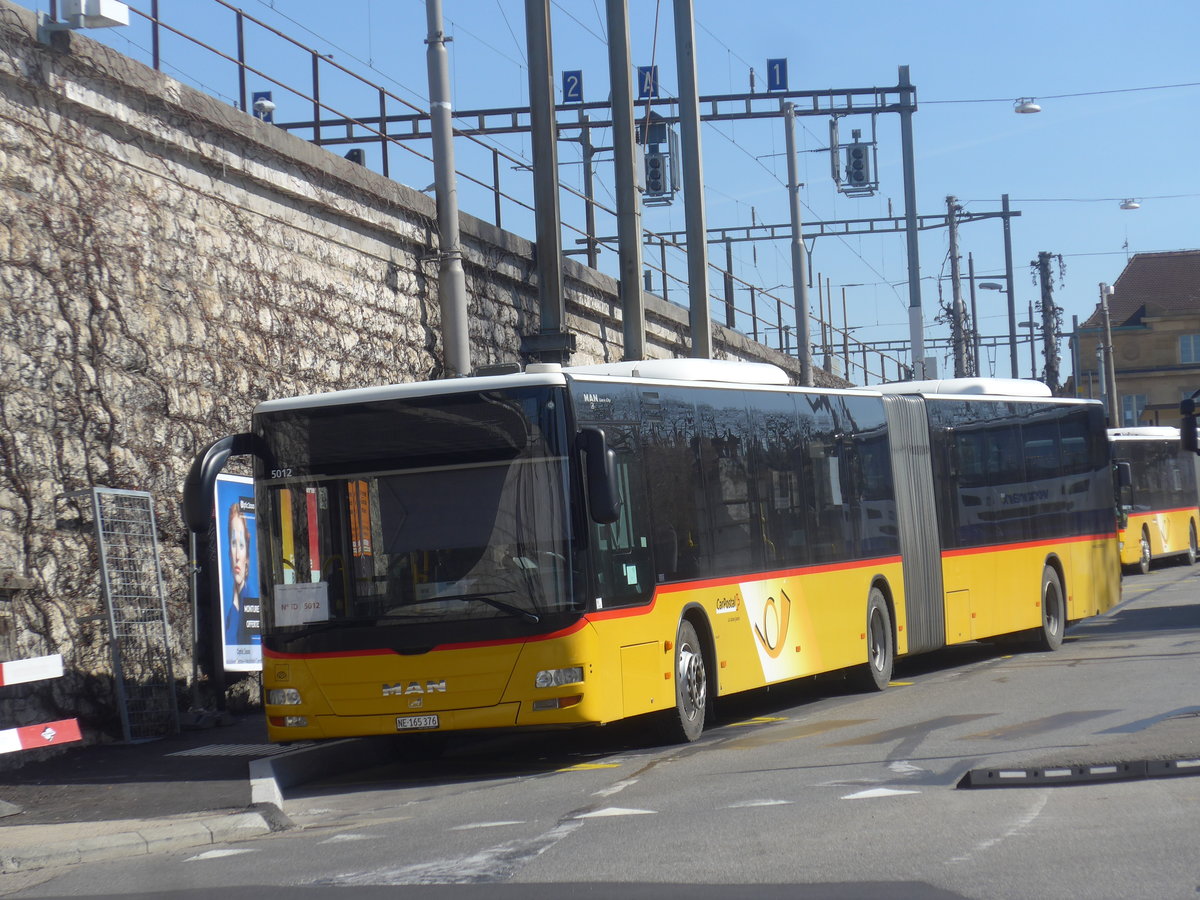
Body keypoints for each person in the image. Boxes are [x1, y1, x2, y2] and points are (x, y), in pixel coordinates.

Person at [224, 502, 257, 645]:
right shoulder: (234, 602)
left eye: (241, 545)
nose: (237, 555)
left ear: (247, 557)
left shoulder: (251, 596)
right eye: (233, 543)